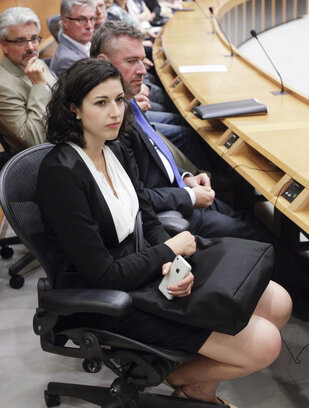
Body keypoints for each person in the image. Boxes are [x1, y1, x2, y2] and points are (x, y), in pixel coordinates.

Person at [38, 58, 292, 406]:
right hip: (109, 297)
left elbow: (146, 214)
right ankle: (183, 379)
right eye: (101, 103)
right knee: (266, 343)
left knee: (278, 301)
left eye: (118, 100)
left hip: (145, 265)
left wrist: (177, 266)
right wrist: (168, 252)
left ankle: (198, 389)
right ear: (73, 109)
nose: (115, 112)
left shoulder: (114, 146)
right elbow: (103, 273)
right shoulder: (61, 173)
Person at [90, 21, 275, 242]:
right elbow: (134, 196)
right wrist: (188, 196)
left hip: (179, 191)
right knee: (261, 238)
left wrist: (186, 178)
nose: (143, 69)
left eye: (141, 59)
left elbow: (154, 153)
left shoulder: (125, 100)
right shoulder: (109, 122)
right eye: (132, 61)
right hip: (170, 214)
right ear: (104, 63)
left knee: (250, 218)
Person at [0, 7, 56, 153]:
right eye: (20, 41)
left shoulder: (37, 62)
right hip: (44, 159)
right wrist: (39, 87)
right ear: (4, 45)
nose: (31, 47)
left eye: (34, 38)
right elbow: (35, 141)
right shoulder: (0, 88)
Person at [50, 0, 95, 78]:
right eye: (82, 19)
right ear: (65, 22)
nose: (89, 26)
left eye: (92, 19)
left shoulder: (87, 43)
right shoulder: (67, 60)